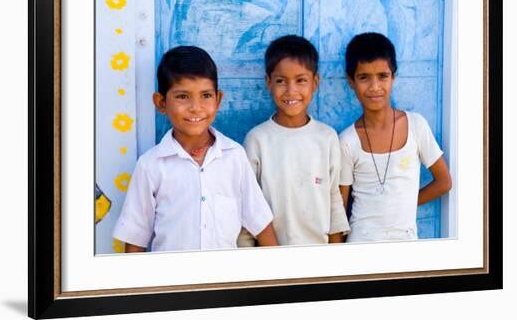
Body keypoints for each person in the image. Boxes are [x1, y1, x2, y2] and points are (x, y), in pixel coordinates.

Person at [113, 46, 278, 252]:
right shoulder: (150, 166)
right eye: (183, 96)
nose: (196, 107)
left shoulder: (234, 156)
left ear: (218, 100)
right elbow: (135, 238)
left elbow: (260, 221)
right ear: (161, 103)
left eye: (206, 95)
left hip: (225, 282)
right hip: (171, 283)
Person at [339, 32, 452, 242]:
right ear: (351, 81)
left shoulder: (415, 126)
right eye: (364, 77)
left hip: (406, 249)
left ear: (393, 77)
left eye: (383, 76)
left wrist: (403, 203)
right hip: (360, 248)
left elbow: (444, 182)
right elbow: (339, 209)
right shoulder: (347, 141)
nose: (375, 87)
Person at [238, 35, 350, 247]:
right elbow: (248, 206)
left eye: (301, 80)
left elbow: (334, 200)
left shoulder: (326, 138)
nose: (291, 91)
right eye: (281, 81)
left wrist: (335, 260)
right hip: (271, 262)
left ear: (315, 82)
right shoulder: (257, 140)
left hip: (319, 260)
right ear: (268, 82)